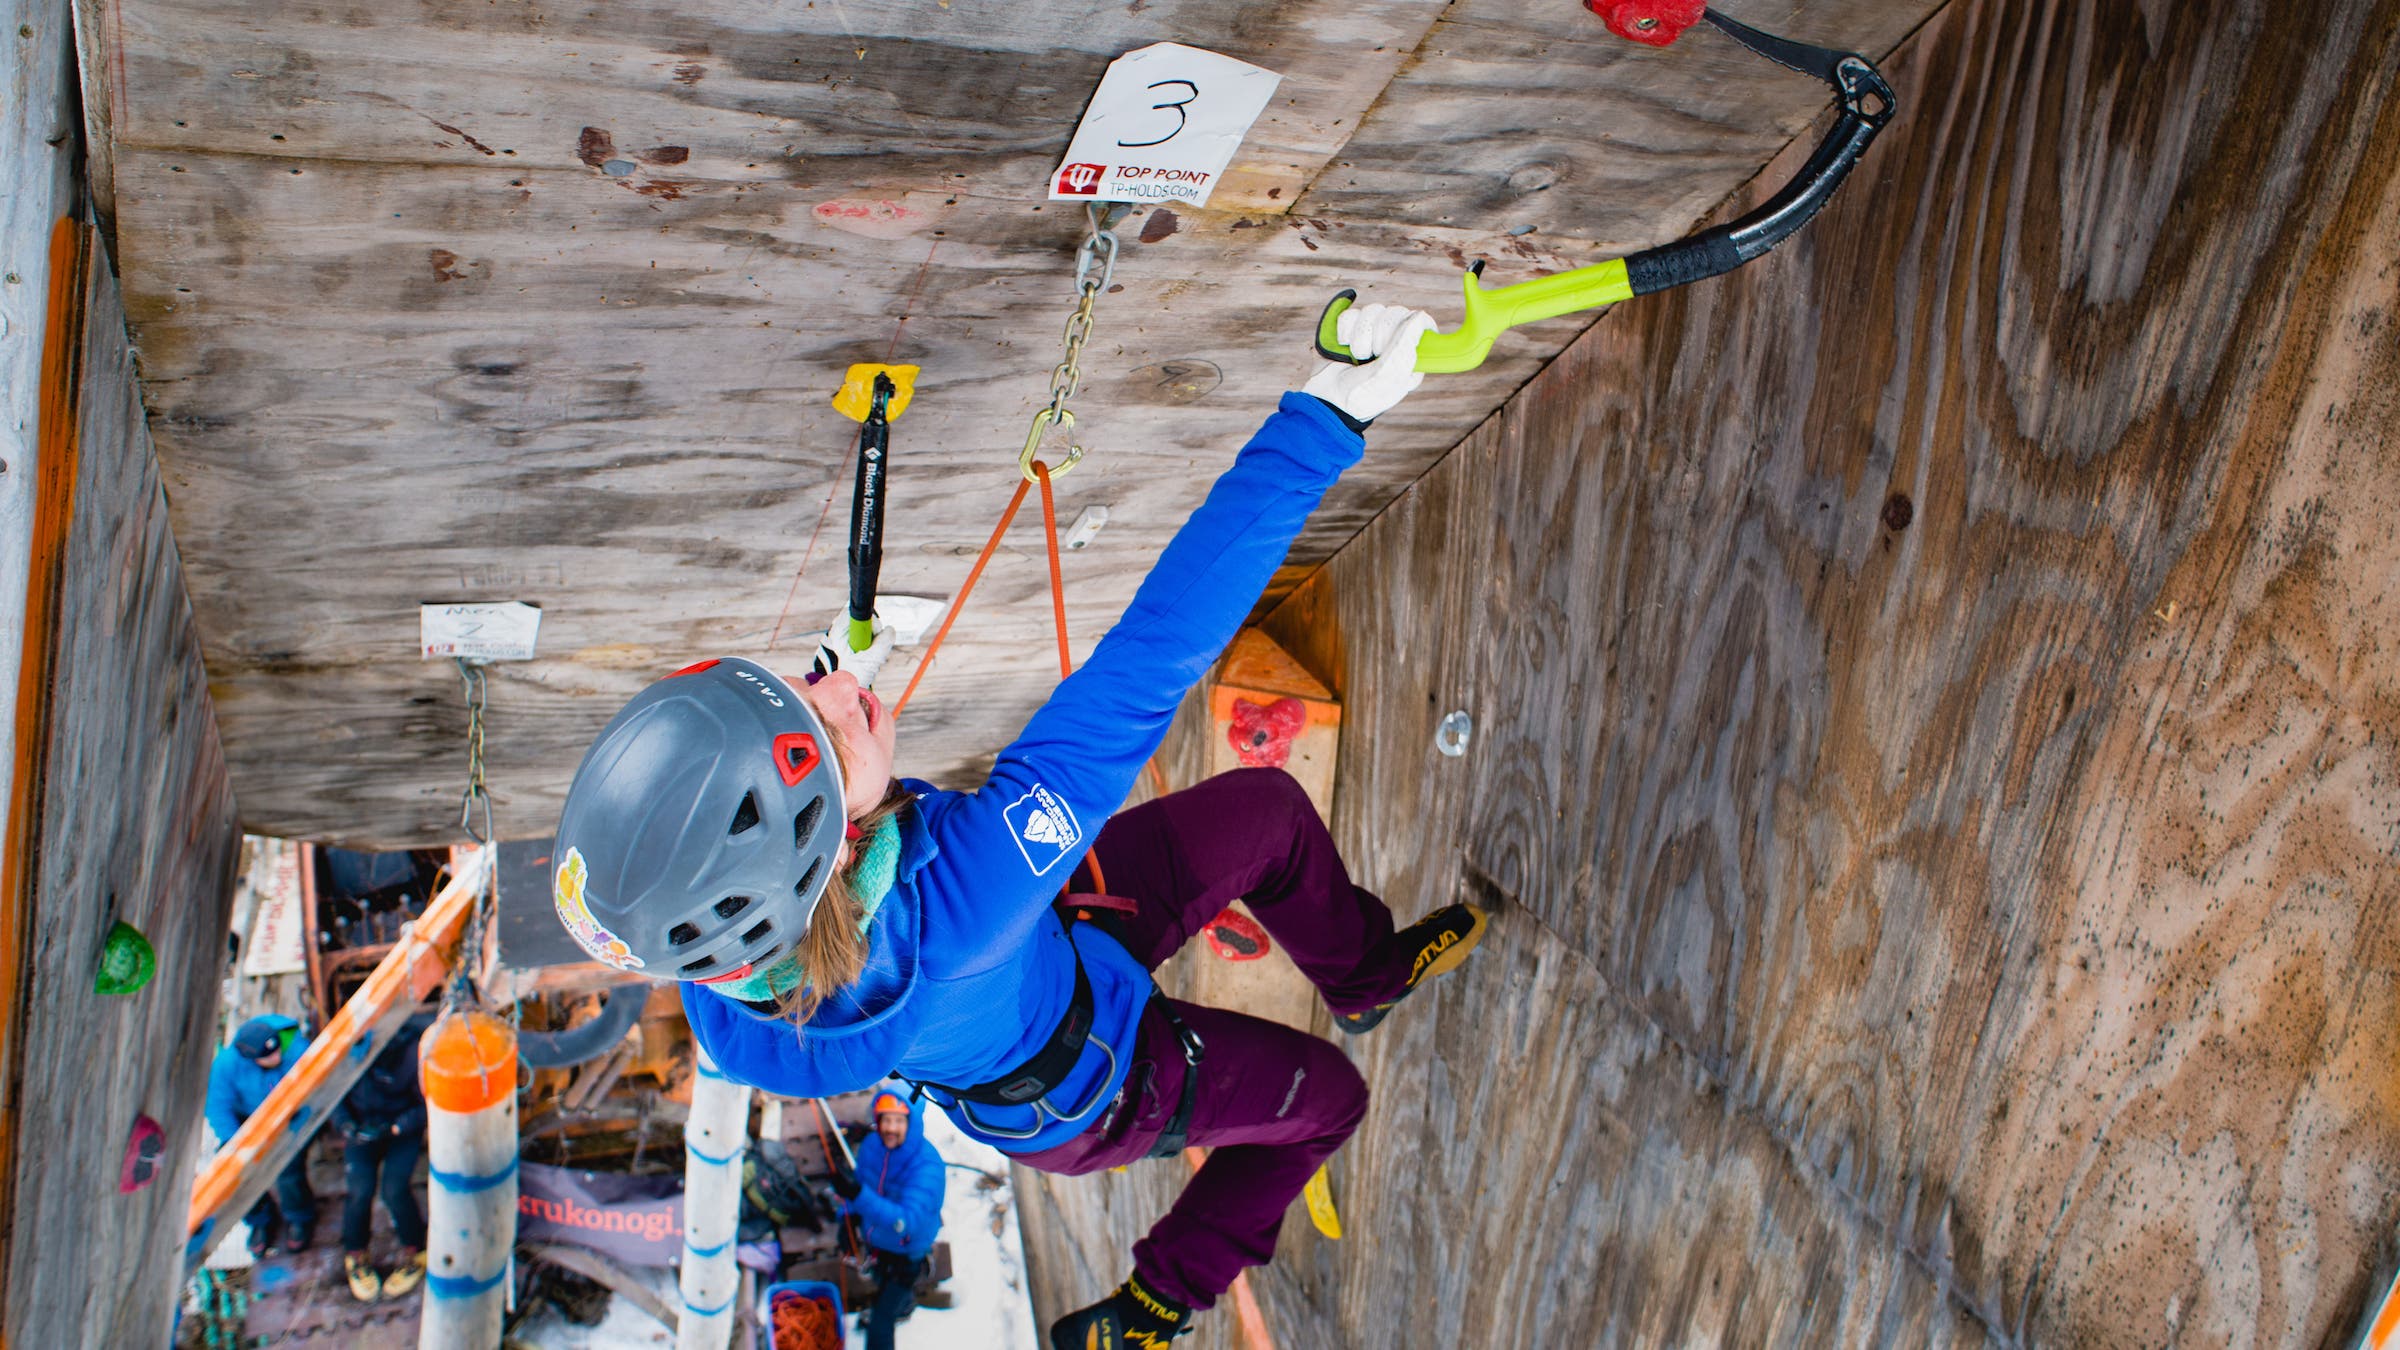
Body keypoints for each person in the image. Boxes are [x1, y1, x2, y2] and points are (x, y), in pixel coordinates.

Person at [550, 304, 1489, 1346]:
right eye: (820, 724)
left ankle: (1362, 979)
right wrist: (1327, 414)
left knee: (1266, 813)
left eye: (795, 683)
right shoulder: (969, 888)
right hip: (1099, 1083)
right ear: (832, 842)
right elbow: (1152, 657)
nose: (835, 682)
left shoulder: (729, 974)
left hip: (1067, 947)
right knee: (1332, 1103)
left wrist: (836, 727)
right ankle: (1156, 1301)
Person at [826, 1091, 945, 1350]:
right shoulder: (872, 1147)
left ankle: (897, 1308)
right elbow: (858, 1188)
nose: (890, 1128)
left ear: (911, 1123)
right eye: (885, 1120)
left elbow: (906, 1220)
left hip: (907, 1252)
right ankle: (900, 1305)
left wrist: (858, 1196)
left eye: (898, 1121)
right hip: (877, 1242)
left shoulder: (927, 1166)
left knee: (881, 1323)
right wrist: (846, 1216)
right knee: (880, 1284)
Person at [329, 1021, 429, 1301]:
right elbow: (336, 1096)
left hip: (400, 1131)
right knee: (360, 1189)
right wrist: (346, 1124)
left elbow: (426, 1103)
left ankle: (415, 1249)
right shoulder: (352, 1053)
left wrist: (396, 1127)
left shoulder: (414, 1056)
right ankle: (356, 1253)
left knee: (394, 1189)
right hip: (362, 1127)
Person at [206, 1014, 317, 1256]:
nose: (276, 1058)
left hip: (286, 1117)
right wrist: (235, 1143)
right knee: (237, 1174)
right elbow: (217, 1105)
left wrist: (297, 1117)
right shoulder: (227, 1065)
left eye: (276, 1051)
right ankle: (260, 1218)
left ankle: (299, 1216)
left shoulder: (296, 1049)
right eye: (268, 1057)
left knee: (288, 1169)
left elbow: (313, 1085)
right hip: (248, 1121)